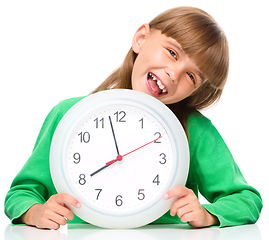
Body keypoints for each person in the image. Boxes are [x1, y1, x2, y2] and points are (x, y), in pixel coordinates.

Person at [5, 6, 262, 230]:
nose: (174, 74)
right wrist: (36, 213)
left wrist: (208, 215)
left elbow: (246, 200)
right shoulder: (68, 115)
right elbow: (20, 194)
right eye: (172, 53)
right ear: (140, 38)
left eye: (191, 76)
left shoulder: (194, 130)